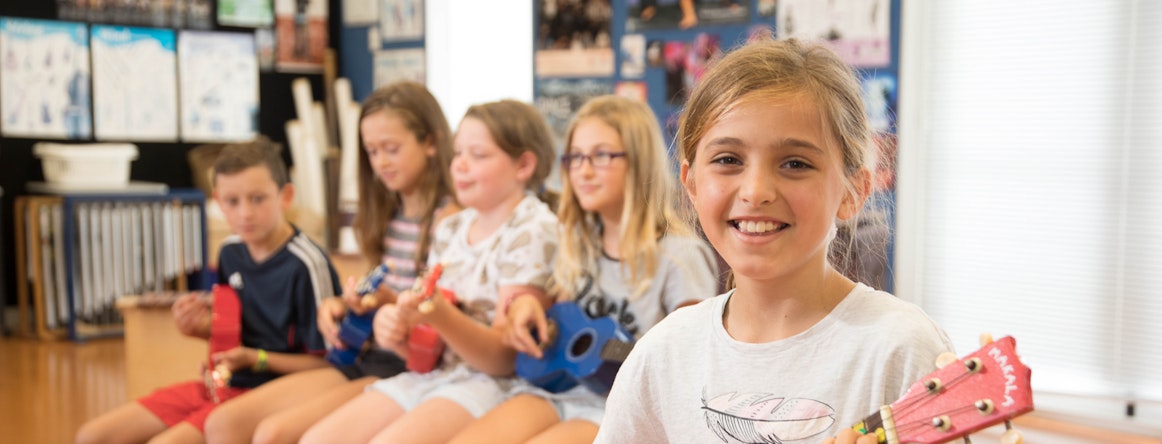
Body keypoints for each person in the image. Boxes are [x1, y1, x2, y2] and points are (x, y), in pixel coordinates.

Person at [594, 39, 954, 443]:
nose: (756, 190)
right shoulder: (663, 354)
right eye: (728, 160)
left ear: (853, 191)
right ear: (691, 183)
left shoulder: (899, 348)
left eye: (795, 164)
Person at [449, 96, 720, 444]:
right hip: (557, 393)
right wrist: (526, 310)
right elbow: (559, 322)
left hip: (619, 409)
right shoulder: (577, 242)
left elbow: (688, 363)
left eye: (601, 156)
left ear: (638, 161)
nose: (584, 170)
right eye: (575, 157)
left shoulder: (680, 256)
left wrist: (624, 358)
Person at [203, 81, 460, 443]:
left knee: (274, 434)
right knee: (223, 424)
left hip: (405, 365)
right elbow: (379, 284)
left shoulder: (449, 219)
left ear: (431, 143)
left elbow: (445, 314)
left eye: (391, 149)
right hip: (363, 355)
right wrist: (342, 303)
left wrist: (388, 303)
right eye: (372, 151)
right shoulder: (389, 215)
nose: (381, 162)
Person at [300, 99, 561, 444]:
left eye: (478, 155)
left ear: (524, 164)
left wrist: (437, 315)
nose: (461, 166)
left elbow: (504, 359)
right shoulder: (452, 227)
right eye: (458, 154)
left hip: (493, 384)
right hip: (436, 375)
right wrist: (398, 333)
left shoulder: (534, 228)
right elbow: (428, 350)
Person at [76, 138, 340, 444]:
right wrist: (202, 331)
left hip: (270, 395)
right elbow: (234, 333)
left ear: (286, 196)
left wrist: (256, 359)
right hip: (222, 384)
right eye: (232, 202)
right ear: (217, 201)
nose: (245, 213)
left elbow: (330, 366)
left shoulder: (307, 263)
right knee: (91, 436)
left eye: (257, 199)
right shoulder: (230, 252)